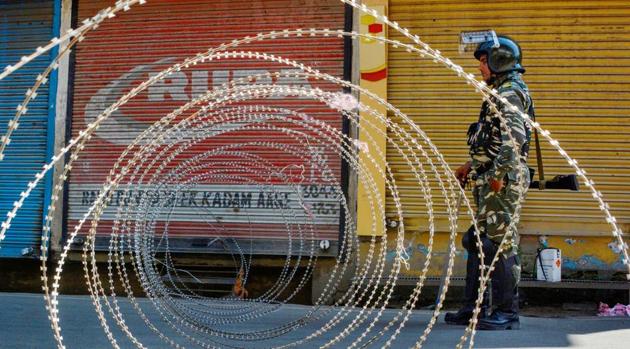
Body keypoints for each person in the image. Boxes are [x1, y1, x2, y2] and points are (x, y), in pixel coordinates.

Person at [444, 35, 533, 330]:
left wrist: (496, 178)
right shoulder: (500, 92)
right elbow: (494, 142)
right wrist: (472, 166)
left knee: (499, 244)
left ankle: (507, 313)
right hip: (492, 178)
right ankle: (473, 309)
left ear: (499, 61)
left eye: (484, 61)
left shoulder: (510, 93)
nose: (480, 67)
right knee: (478, 241)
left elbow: (513, 141)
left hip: (502, 181)